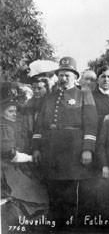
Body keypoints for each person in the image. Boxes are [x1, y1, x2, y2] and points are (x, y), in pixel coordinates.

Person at [32, 56, 97, 226]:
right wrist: (37, 148)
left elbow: (91, 124)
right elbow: (40, 125)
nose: (63, 78)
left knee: (69, 197)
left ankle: (68, 229)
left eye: (67, 75)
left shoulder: (84, 94)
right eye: (61, 75)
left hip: (72, 153)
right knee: (53, 196)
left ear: (75, 77)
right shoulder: (50, 97)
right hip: (51, 152)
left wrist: (87, 149)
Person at [1, 82, 49, 230]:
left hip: (14, 166)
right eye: (10, 111)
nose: (15, 114)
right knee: (32, 193)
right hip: (6, 168)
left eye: (15, 111)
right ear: (2, 113)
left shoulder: (11, 125)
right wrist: (30, 158)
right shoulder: (3, 127)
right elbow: (10, 154)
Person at [92, 66, 109, 135]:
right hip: (97, 134)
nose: (106, 79)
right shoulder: (91, 96)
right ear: (98, 80)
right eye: (103, 76)